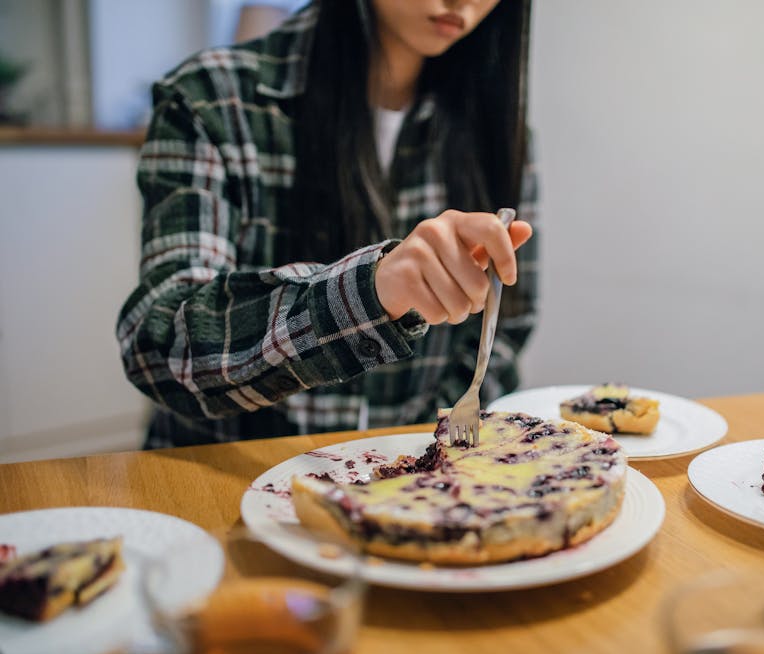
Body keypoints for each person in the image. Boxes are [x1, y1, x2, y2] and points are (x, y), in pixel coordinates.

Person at [116, 0, 538, 448]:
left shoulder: (495, 125)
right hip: (224, 476)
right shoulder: (210, 98)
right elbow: (161, 348)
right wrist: (368, 293)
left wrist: (428, 446)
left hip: (406, 485)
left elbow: (510, 322)